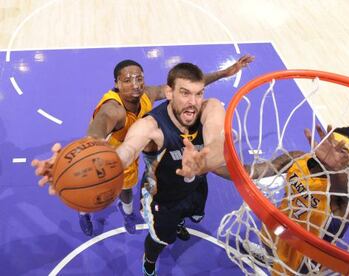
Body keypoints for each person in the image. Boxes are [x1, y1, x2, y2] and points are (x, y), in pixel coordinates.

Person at [32, 55, 254, 237]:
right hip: (106, 156)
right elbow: (99, 126)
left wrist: (225, 72)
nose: (135, 84)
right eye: (127, 80)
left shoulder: (145, 94)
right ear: (116, 84)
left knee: (126, 192)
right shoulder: (114, 108)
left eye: (139, 78)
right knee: (84, 185)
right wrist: (85, 149)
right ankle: (83, 213)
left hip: (137, 148)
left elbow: (185, 85)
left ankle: (127, 212)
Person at [215, 124, 349, 275]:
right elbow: (254, 171)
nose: (335, 152)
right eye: (335, 144)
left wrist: (334, 169)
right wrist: (210, 166)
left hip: (304, 254)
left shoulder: (347, 194)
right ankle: (270, 257)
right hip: (280, 224)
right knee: (268, 244)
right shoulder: (299, 158)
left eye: (345, 153)